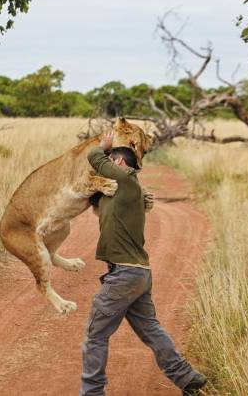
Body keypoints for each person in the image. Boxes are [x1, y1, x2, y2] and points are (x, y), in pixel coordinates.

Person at [80, 131, 207, 396]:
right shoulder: (125, 192)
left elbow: (94, 158)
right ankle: (187, 378)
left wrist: (101, 147)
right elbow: (93, 195)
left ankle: (91, 393)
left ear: (120, 164)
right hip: (138, 274)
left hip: (124, 276)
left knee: (96, 336)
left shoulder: (126, 182)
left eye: (111, 161)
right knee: (151, 330)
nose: (108, 168)